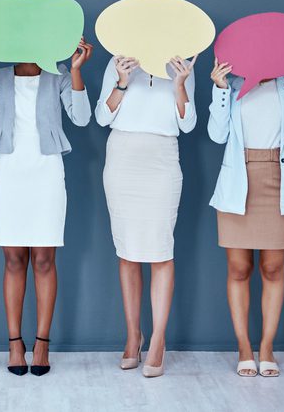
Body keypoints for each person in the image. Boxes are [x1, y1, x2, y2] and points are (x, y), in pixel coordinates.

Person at [0, 38, 93, 376]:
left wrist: (76, 72)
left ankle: (42, 343)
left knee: (45, 259)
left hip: (47, 173)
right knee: (14, 259)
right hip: (9, 173)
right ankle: (15, 343)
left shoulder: (58, 74)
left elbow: (81, 117)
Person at [208, 57, 284, 377]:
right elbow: (217, 134)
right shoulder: (233, 83)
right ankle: (244, 346)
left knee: (272, 267)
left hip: (278, 178)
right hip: (238, 179)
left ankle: (266, 346)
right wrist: (219, 89)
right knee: (239, 268)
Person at [95, 54, 198, 378]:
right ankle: (132, 335)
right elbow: (101, 116)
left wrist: (180, 84)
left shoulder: (179, 64)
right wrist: (122, 82)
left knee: (160, 253)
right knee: (127, 252)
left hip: (162, 158)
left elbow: (188, 123)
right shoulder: (120, 61)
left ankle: (158, 340)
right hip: (123, 157)